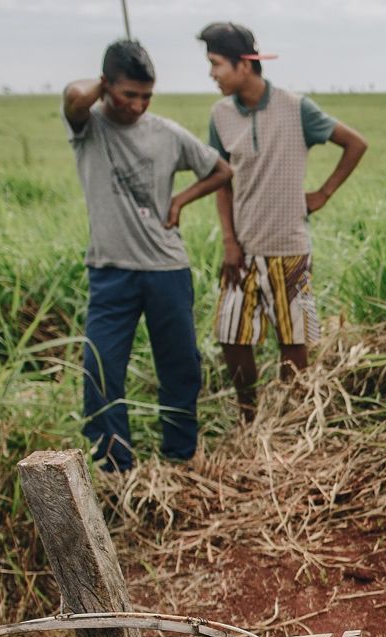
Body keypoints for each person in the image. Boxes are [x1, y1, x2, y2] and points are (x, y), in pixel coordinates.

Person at [64, 40, 231, 472]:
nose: (138, 105)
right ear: (106, 87)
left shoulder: (166, 133)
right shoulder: (90, 127)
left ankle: (179, 456)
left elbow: (220, 171)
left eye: (146, 96)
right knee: (100, 370)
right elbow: (73, 97)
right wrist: (101, 86)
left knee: (179, 365)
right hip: (110, 271)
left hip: (166, 268)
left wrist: (179, 202)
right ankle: (114, 466)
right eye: (128, 94)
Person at [199, 22, 368, 422]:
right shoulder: (220, 115)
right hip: (242, 247)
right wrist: (228, 240)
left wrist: (323, 193)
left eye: (216, 64)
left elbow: (355, 143)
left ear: (244, 65)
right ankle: (248, 416)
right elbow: (221, 181)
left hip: (290, 246)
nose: (211, 74)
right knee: (231, 336)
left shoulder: (296, 108)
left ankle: (290, 420)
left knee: (293, 340)